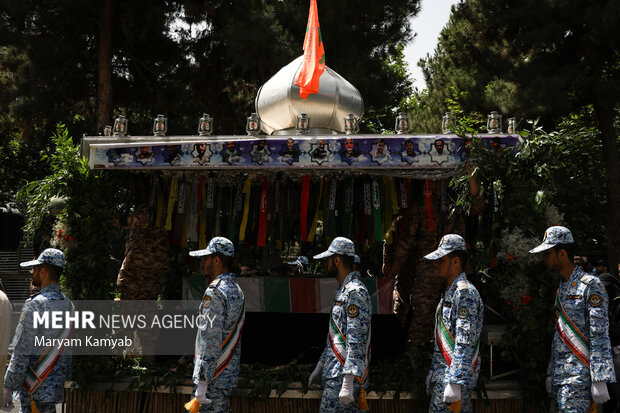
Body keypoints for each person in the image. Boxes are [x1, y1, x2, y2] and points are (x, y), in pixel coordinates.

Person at [529, 226, 616, 412]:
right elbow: (559, 334)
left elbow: (599, 333)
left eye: (547, 253)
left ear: (562, 253)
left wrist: (600, 379)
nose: (543, 258)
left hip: (581, 380)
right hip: (562, 380)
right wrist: (552, 372)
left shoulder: (591, 286)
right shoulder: (563, 287)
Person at [3, 248, 72, 413]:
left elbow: (21, 350)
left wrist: (8, 386)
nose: (31, 272)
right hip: (55, 389)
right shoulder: (69, 305)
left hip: (33, 389)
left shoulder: (35, 304)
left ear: (43, 272)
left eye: (34, 269)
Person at [309, 237, 371, 412]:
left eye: (328, 259)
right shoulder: (342, 291)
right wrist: (322, 365)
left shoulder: (355, 293)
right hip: (336, 373)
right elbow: (336, 336)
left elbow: (356, 338)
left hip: (343, 377)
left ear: (337, 260)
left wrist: (348, 381)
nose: (325, 264)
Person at [423, 235, 483, 413]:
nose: (436, 264)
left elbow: (464, 341)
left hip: (453, 380)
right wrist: (434, 370)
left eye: (441, 260)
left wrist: (455, 382)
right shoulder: (451, 291)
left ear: (455, 261)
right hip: (444, 377)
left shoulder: (465, 294)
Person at [189, 237, 245, 412]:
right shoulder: (236, 290)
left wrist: (203, 381)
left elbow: (210, 339)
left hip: (211, 380)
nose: (202, 263)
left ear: (217, 260)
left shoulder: (214, 292)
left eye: (205, 258)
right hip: (225, 376)